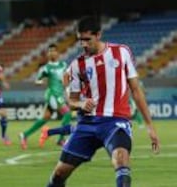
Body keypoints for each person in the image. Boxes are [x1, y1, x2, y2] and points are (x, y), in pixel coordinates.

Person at [46, 16, 160, 187]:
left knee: (121, 161)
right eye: (80, 40)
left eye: (87, 39)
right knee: (59, 174)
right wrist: (80, 104)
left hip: (115, 122)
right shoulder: (77, 65)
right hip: (87, 124)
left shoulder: (121, 52)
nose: (83, 44)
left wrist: (150, 127)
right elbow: (72, 101)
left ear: (98, 35)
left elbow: (136, 90)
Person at [19, 44, 72, 149]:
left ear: (58, 53)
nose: (51, 53)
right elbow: (37, 80)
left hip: (59, 94)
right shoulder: (46, 68)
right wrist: (41, 82)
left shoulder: (63, 65)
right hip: (52, 94)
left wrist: (68, 91)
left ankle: (24, 135)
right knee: (68, 114)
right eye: (49, 51)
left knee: (45, 118)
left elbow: (67, 80)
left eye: (53, 51)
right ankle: (61, 139)